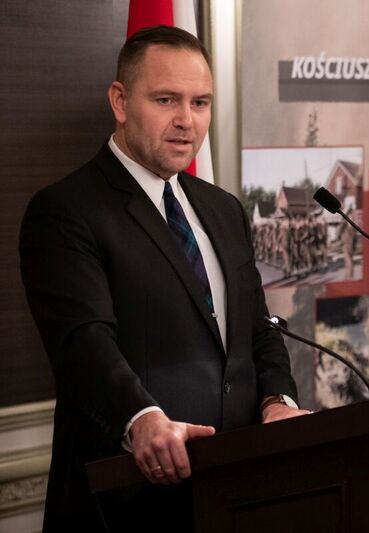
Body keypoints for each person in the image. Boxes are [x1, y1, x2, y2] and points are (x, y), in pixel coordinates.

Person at [19, 26, 309, 531]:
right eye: (166, 99)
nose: (186, 121)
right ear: (120, 101)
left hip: (236, 489)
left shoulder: (223, 209)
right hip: (131, 498)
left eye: (200, 102)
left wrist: (277, 401)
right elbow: (82, 342)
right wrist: (142, 419)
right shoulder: (65, 211)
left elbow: (258, 327)